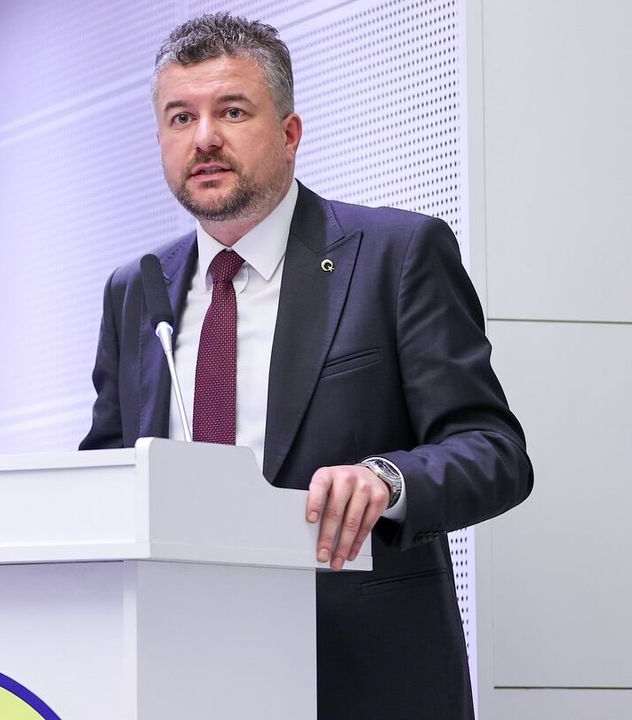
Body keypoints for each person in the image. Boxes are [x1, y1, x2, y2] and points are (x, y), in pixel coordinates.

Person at [79, 13, 532, 719]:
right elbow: (108, 473)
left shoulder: (395, 255)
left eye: (232, 112)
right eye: (180, 117)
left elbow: (494, 452)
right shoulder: (136, 288)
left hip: (361, 677)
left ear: (290, 134)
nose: (204, 138)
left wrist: (387, 480)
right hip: (179, 672)